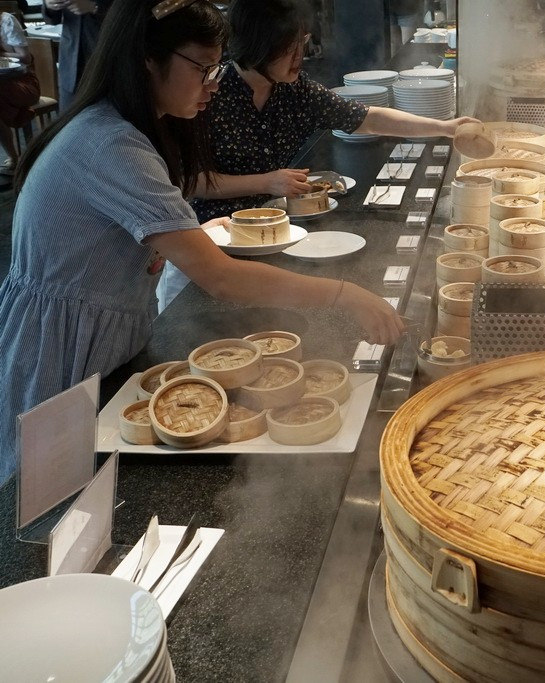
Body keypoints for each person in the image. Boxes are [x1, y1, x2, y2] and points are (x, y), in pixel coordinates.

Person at [0, 0, 402, 482]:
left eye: (217, 65)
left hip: (106, 334)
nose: (215, 81)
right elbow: (222, 277)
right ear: (148, 59)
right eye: (203, 67)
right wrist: (344, 295)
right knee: (48, 487)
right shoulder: (109, 144)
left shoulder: (139, 128)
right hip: (61, 343)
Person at [156, 0, 477, 310]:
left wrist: (446, 127)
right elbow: (188, 182)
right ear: (259, 44)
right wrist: (268, 181)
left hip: (273, 236)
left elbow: (365, 117)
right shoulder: (208, 92)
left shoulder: (293, 89)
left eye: (302, 42)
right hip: (212, 246)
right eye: (289, 46)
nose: (301, 55)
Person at [43, 0, 111, 109]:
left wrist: (94, 6)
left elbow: (134, 10)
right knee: (68, 120)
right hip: (70, 63)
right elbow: (52, 19)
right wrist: (49, 5)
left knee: (110, 120)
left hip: (107, 59)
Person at [0, 10, 40, 175]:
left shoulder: (6, 21)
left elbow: (25, 58)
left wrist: (2, 54)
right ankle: (15, 157)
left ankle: (14, 158)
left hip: (24, 82)